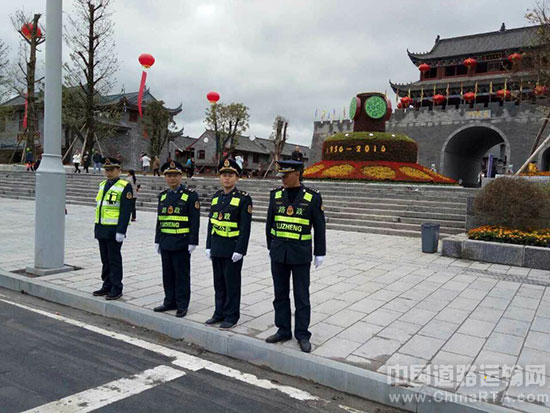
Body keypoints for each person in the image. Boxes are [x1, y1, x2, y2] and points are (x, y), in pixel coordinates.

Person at [265, 160, 326, 353]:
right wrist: (271, 247)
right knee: (280, 295)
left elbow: (320, 227)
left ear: (297, 174)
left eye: (286, 175)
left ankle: (302, 334)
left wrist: (320, 252)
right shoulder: (275, 195)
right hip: (279, 253)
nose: (282, 179)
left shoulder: (312, 197)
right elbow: (269, 224)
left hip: (300, 254)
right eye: (281, 175)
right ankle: (283, 330)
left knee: (301, 296)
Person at [205, 158, 252, 329]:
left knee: (231, 284)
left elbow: (245, 227)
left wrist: (240, 250)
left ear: (237, 178)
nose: (226, 178)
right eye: (224, 175)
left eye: (230, 175)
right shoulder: (216, 197)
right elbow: (211, 223)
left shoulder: (243, 199)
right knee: (218, 283)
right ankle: (219, 313)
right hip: (217, 246)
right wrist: (208, 245)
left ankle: (231, 316)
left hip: (232, 249)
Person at [153, 161, 200, 318]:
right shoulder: (163, 196)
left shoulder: (190, 196)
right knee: (167, 275)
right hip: (166, 241)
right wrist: (157, 240)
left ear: (181, 176)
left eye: (175, 175)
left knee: (181, 275)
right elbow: (160, 220)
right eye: (169, 175)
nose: (172, 178)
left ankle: (182, 304)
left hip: (182, 242)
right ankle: (169, 301)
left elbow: (194, 220)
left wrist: (193, 241)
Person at [92, 157, 133, 300]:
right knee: (105, 259)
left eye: (111, 170)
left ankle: (117, 287)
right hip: (101, 227)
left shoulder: (124, 186)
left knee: (114, 259)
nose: (108, 172)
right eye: (106, 170)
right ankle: (107, 284)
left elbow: (126, 210)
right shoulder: (103, 184)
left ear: (118, 170)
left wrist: (121, 231)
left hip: (114, 230)